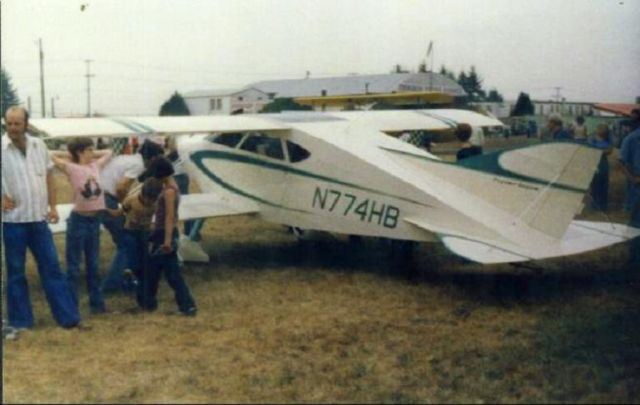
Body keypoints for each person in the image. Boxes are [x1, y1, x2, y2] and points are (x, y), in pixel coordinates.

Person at [1, 106, 81, 329]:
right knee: (16, 273)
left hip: (38, 220)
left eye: (17, 123)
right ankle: (21, 321)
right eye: (9, 123)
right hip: (12, 222)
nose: (13, 128)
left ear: (26, 124)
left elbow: (49, 177)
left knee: (52, 268)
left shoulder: (39, 145)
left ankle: (68, 318)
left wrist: (53, 207)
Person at [50, 138, 113, 314]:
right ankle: (71, 306)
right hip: (79, 221)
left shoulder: (95, 166)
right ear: (81, 152)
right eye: (90, 150)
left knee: (93, 264)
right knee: (74, 266)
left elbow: (109, 153)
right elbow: (50, 155)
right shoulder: (71, 168)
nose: (93, 153)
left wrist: (90, 154)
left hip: (94, 220)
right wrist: (71, 154)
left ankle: (97, 305)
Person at [100, 139, 164, 294]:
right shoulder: (138, 165)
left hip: (99, 196)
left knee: (124, 240)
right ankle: (112, 285)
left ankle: (126, 275)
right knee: (126, 244)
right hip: (109, 199)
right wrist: (125, 206)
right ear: (152, 158)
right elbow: (121, 187)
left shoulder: (128, 159)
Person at [138, 157, 197, 315]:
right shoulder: (173, 186)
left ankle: (187, 305)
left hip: (163, 233)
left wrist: (167, 241)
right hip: (162, 232)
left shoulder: (169, 191)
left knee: (171, 274)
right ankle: (148, 303)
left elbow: (170, 217)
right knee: (154, 270)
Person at [107, 178, 164, 309]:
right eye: (148, 199)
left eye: (152, 199)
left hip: (144, 234)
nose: (149, 202)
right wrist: (107, 211)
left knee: (145, 263)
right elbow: (119, 212)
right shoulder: (132, 200)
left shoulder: (157, 204)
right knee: (132, 259)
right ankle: (128, 277)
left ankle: (142, 290)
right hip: (130, 232)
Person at [619, 108, 640, 270]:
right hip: (637, 187)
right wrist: (633, 179)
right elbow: (622, 163)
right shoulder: (632, 138)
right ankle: (635, 259)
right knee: (636, 223)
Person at [165, 135, 198, 239]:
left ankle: (187, 231)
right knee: (185, 204)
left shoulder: (171, 155)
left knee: (177, 206)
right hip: (184, 177)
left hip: (177, 179)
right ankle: (191, 230)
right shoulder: (182, 153)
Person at [588, 124, 612, 211]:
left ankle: (603, 205)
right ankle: (595, 205)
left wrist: (599, 151)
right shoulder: (592, 138)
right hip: (594, 163)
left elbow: (610, 150)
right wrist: (602, 151)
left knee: (604, 184)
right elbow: (590, 150)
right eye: (600, 129)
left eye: (603, 129)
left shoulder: (608, 138)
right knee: (595, 184)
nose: (602, 131)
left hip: (603, 163)